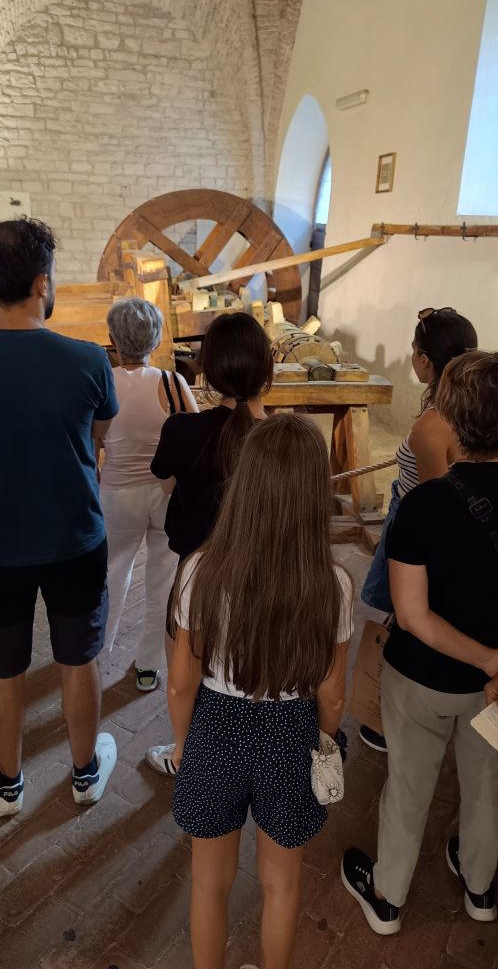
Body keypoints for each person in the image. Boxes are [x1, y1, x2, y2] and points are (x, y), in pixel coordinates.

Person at [342, 351, 498, 935]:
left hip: (423, 678)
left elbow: (412, 614)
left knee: (409, 786)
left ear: (451, 420)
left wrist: (489, 660)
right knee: (487, 785)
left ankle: (388, 899)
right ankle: (480, 890)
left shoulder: (426, 503)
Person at [0, 217, 119, 817]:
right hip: (74, 535)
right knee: (79, 658)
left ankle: (8, 785)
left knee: (3, 669)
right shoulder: (89, 359)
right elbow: (97, 439)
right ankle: (86, 774)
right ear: (42, 282)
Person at [168, 414, 353, 969]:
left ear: (244, 482)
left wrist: (183, 742)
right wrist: (324, 740)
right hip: (291, 732)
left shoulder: (200, 570)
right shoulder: (332, 583)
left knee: (209, 883)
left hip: (216, 727)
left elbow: (180, 681)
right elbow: (333, 691)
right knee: (281, 883)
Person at [145, 310, 273, 776]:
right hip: (265, 575)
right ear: (267, 369)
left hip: (195, 573)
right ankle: (250, 751)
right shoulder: (285, 438)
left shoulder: (182, 429)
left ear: (207, 371)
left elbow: (166, 485)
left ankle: (187, 753)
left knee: (185, 668)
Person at [359, 307, 477, 751]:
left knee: (406, 618)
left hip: (415, 532)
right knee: (406, 617)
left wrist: (417, 569)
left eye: (413, 351)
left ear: (426, 361)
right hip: (411, 518)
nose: (411, 357)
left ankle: (386, 720)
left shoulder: (436, 422)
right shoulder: (469, 406)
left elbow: (434, 504)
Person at [100, 297, 196, 692]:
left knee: (110, 574)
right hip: (166, 492)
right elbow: (192, 436)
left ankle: (95, 656)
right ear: (156, 340)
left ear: (112, 340)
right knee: (162, 579)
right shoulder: (173, 383)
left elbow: (92, 440)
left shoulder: (103, 382)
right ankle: (148, 665)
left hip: (117, 493)